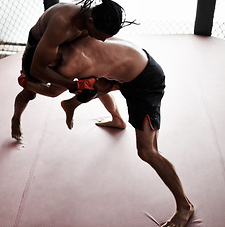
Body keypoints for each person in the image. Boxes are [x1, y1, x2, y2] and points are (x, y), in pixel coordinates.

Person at [36, 35, 194, 227]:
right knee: (96, 81)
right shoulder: (77, 37)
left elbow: (52, 91)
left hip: (145, 84)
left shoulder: (75, 64)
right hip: (135, 66)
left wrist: (25, 82)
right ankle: (116, 119)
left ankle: (184, 206)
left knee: (147, 151)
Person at [11, 0, 135, 140]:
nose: (102, 41)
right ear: (90, 23)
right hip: (40, 48)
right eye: (101, 36)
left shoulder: (94, 17)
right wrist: (74, 85)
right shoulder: (62, 23)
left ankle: (117, 118)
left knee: (100, 80)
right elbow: (37, 69)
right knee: (31, 93)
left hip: (67, 47)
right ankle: (16, 117)